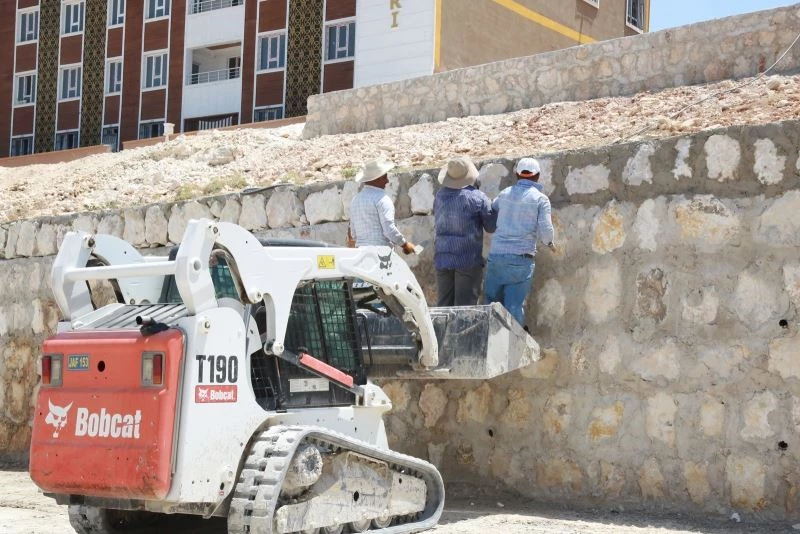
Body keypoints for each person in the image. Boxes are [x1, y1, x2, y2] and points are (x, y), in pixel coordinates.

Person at [484, 157, 555, 326]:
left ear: (517, 175)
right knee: (514, 306)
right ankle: (513, 347)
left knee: (491, 304)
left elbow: (492, 209)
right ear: (537, 176)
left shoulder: (504, 194)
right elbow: (546, 230)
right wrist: (550, 243)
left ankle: (491, 345)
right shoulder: (540, 199)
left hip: (497, 257)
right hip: (520, 260)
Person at [433, 156, 495, 306]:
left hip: (442, 258)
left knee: (443, 307)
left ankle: (440, 331)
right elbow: (491, 226)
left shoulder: (440, 196)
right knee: (465, 307)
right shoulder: (477, 197)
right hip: (467, 259)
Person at [349, 160, 416, 254]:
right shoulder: (382, 199)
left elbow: (353, 233)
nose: (387, 181)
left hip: (361, 254)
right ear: (376, 178)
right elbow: (389, 229)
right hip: (381, 254)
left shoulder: (355, 200)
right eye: (385, 177)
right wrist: (405, 244)